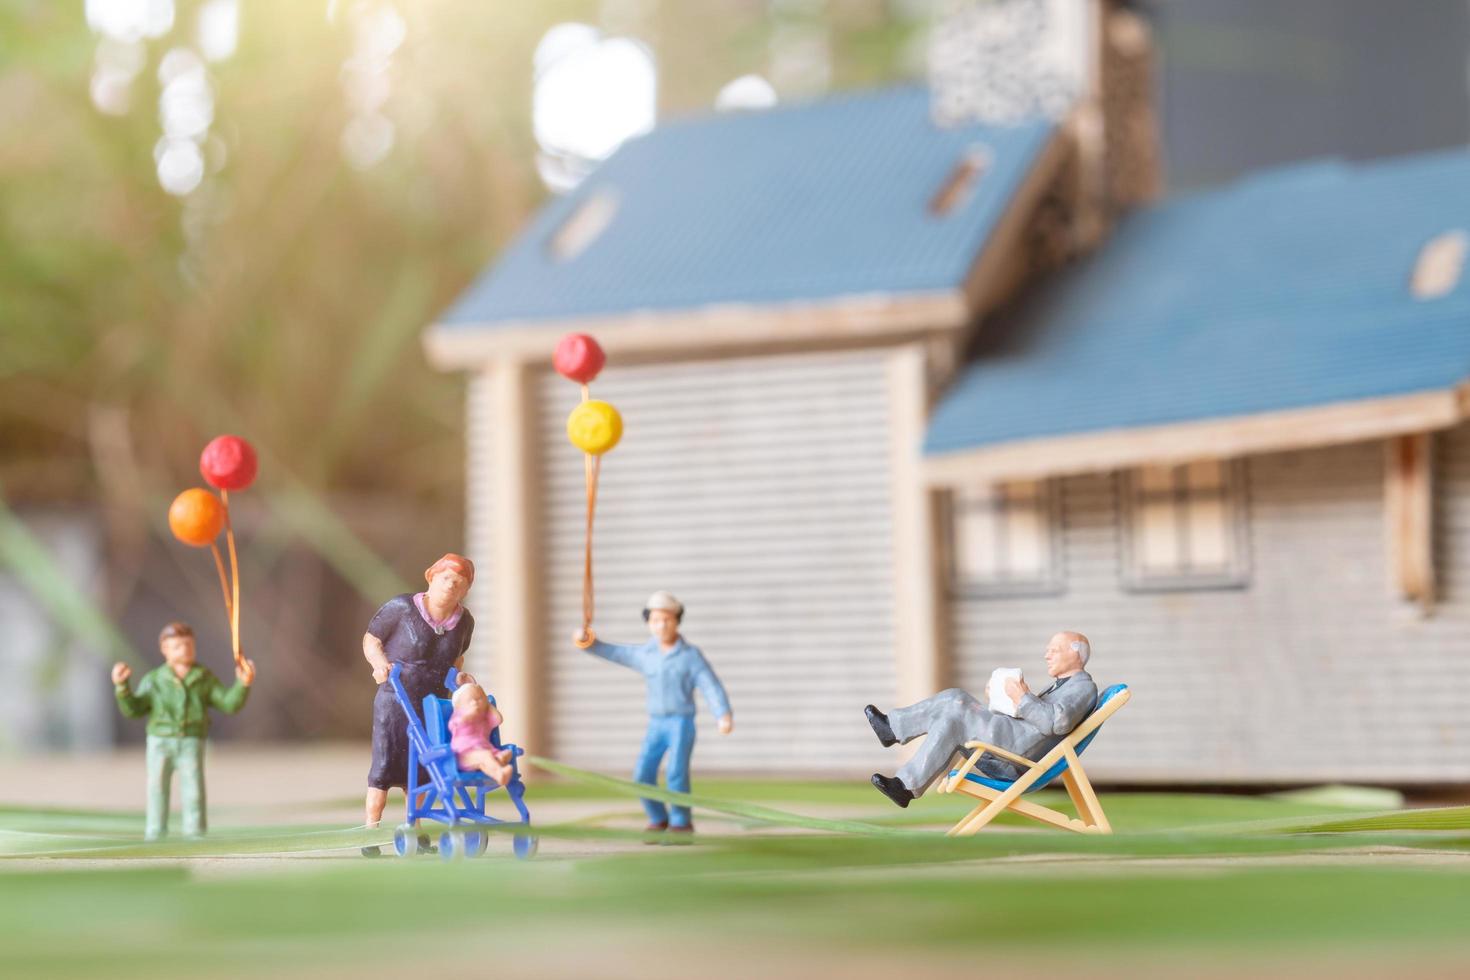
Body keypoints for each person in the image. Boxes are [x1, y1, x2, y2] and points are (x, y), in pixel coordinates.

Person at [866, 631, 1098, 808]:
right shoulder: (1062, 685)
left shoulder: (1083, 687)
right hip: (1009, 745)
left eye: (1054, 650)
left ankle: (893, 728)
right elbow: (1032, 721)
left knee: (956, 701)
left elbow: (1056, 723)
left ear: (1076, 653)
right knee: (950, 721)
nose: (1046, 655)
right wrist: (1001, 700)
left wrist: (1022, 696)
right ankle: (904, 786)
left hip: (1015, 759)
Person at [572, 591, 732, 835]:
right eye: (656, 620)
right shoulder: (645, 654)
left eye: (667, 619)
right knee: (642, 774)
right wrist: (589, 643)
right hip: (656, 723)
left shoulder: (690, 656)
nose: (662, 625)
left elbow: (710, 685)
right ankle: (658, 817)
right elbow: (616, 652)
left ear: (677, 620)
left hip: (681, 722)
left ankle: (680, 821)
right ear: (648, 622)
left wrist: (722, 714)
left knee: (676, 774)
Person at [362, 553, 479, 834]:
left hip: (433, 704)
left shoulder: (464, 622)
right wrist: (379, 664)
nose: (451, 585)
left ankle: (413, 826)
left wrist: (459, 679)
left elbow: (456, 659)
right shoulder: (402, 608)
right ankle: (370, 829)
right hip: (396, 700)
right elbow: (371, 640)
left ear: (465, 590)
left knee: (424, 769)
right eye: (446, 578)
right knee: (384, 769)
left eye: (459, 582)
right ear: (431, 577)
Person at [111, 621, 255, 840]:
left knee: (194, 790)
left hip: (191, 742)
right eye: (177, 646)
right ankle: (155, 834)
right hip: (160, 741)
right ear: (165, 650)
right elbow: (134, 709)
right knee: (157, 788)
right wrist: (122, 688)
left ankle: (195, 833)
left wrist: (242, 684)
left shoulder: (203, 678)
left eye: (188, 644)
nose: (185, 649)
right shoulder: (155, 680)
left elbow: (228, 703)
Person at [448, 682, 513, 786]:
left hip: (484, 752)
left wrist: (487, 704)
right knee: (485, 757)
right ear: (459, 706)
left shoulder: (484, 720)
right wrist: (469, 714)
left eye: (479, 699)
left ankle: (499, 772)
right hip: (463, 755)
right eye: (469, 701)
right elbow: (455, 725)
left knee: (492, 758)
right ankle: (500, 770)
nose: (475, 702)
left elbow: (498, 719)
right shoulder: (458, 716)